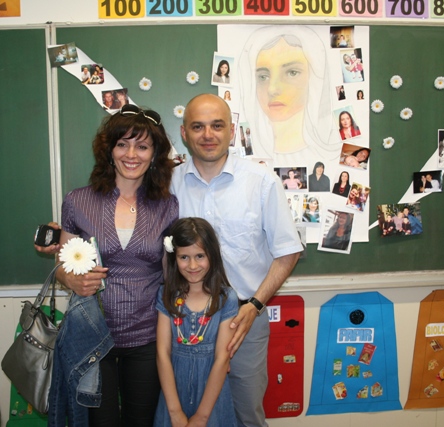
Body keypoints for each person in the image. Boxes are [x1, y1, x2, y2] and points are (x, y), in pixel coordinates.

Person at [37, 104, 178, 427]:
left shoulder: (167, 205)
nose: (131, 154)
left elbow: (172, 273)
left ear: (154, 154)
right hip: (92, 335)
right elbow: (64, 264)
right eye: (122, 144)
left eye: (142, 146)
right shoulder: (78, 201)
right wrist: (70, 279)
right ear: (109, 150)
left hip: (146, 337)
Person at [172, 94, 302, 427]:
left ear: (232, 131)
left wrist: (255, 305)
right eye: (197, 127)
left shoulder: (262, 182)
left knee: (247, 415)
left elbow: (288, 251)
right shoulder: (167, 185)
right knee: (190, 413)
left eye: (217, 126)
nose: (208, 135)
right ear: (184, 133)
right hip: (184, 321)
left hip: (244, 320)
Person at [154, 217, 238, 426]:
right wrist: (175, 412)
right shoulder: (166, 295)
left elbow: (222, 359)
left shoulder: (226, 299)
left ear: (212, 255)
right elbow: (162, 353)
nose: (192, 265)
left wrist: (201, 417)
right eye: (184, 257)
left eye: (200, 256)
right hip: (173, 394)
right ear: (174, 258)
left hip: (211, 400)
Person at [239, 26, 337, 164]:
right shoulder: (241, 155)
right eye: (263, 77)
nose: (272, 89)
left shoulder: (335, 154)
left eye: (292, 73)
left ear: (314, 77)